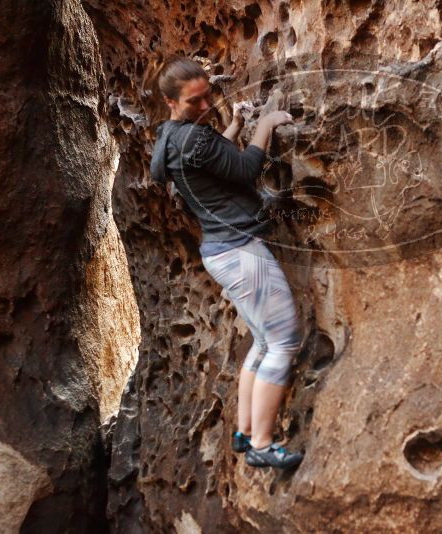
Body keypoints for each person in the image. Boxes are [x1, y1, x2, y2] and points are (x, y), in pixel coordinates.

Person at [146, 55, 304, 470]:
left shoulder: (171, 136)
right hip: (240, 251)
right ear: (170, 102)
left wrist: (234, 125)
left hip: (221, 251)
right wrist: (267, 123)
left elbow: (212, 164)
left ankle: (245, 431)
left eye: (207, 96)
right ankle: (263, 445)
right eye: (193, 101)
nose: (204, 107)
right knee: (284, 342)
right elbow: (246, 169)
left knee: (265, 341)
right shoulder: (194, 137)